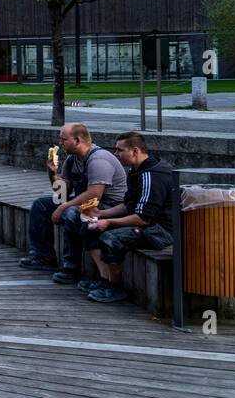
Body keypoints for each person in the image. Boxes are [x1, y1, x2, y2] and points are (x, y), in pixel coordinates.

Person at [20, 123, 127, 284]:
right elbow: (62, 193)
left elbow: (94, 195)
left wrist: (63, 207)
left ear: (77, 140)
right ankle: (44, 256)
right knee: (41, 205)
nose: (60, 143)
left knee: (72, 212)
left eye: (63, 139)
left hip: (108, 206)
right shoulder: (72, 159)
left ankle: (71, 267)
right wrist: (52, 173)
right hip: (86, 202)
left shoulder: (99, 160)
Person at [80, 131, 175, 304]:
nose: (116, 154)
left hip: (161, 231)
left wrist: (108, 222)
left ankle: (116, 288)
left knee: (111, 239)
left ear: (135, 151)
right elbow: (128, 205)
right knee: (88, 227)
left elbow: (143, 218)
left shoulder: (151, 175)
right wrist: (100, 214)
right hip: (146, 223)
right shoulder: (137, 170)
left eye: (120, 150)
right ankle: (104, 280)